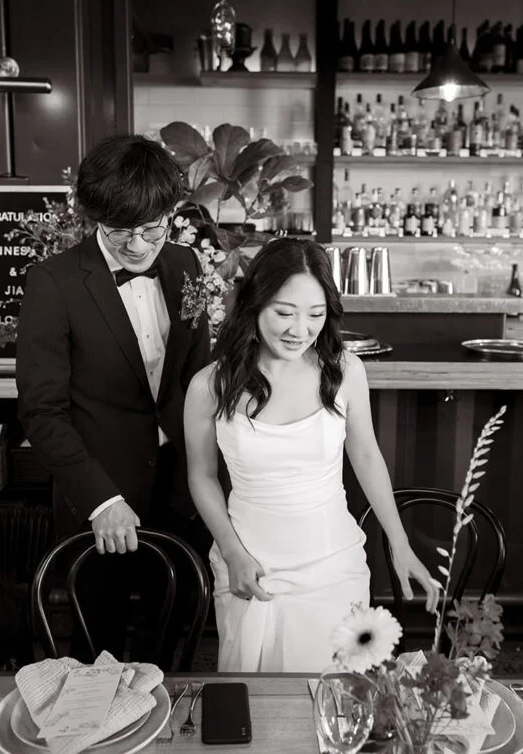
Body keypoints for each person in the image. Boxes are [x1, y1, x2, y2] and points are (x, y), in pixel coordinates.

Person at [184, 238, 439, 672]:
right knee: (256, 697)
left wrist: (400, 543)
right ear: (253, 305)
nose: (299, 330)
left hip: (332, 565)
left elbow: (366, 455)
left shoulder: (345, 371)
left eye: (315, 315)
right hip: (250, 564)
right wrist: (232, 552)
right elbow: (202, 475)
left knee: (338, 693)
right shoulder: (210, 386)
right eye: (284, 313)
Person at [16, 134, 210, 661]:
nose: (139, 246)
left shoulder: (186, 264)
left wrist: (207, 472)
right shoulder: (53, 283)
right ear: (93, 219)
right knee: (97, 639)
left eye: (152, 229)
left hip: (180, 482)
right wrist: (101, 500)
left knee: (173, 630)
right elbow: (41, 412)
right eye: (120, 231)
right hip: (99, 489)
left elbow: (198, 378)